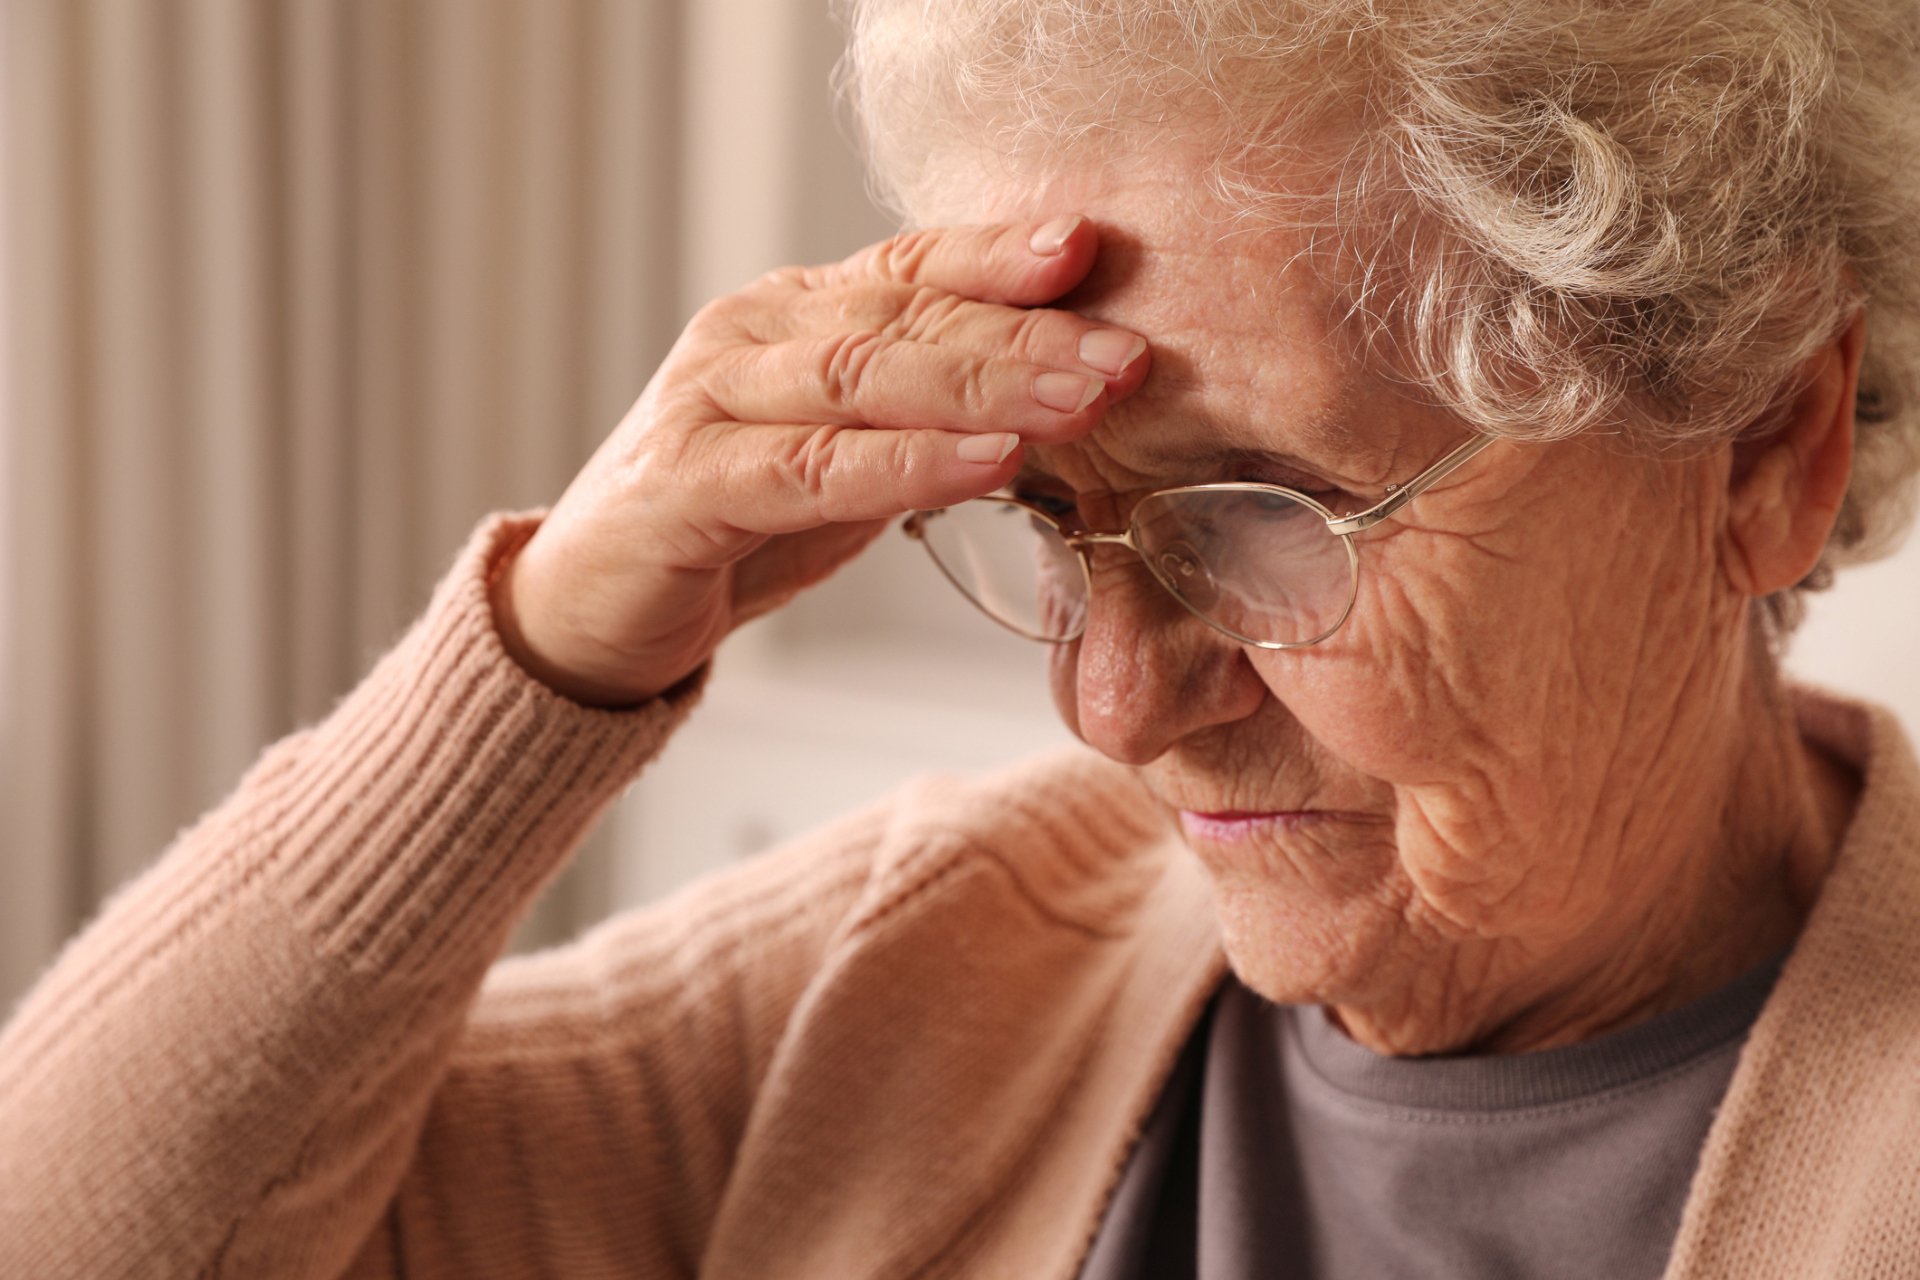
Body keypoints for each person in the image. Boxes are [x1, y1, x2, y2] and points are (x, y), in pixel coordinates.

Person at [4, 1, 1919, 1276]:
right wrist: (536, 665)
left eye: (1259, 517)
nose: (1112, 704)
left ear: (1764, 442)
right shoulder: (925, 979)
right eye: (1048, 519)